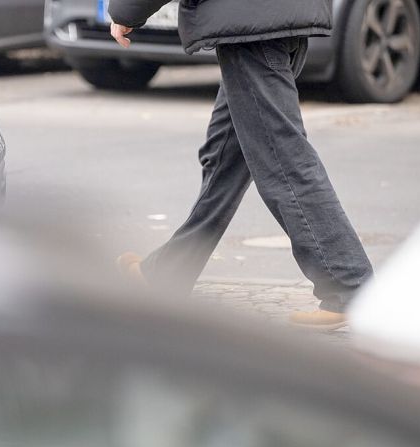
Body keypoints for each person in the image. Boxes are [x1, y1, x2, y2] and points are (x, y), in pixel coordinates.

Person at [109, 0, 374, 330]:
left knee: (284, 161)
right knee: (224, 158)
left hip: (251, 32)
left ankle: (349, 285)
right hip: (279, 19)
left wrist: (125, 12)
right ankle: (165, 275)